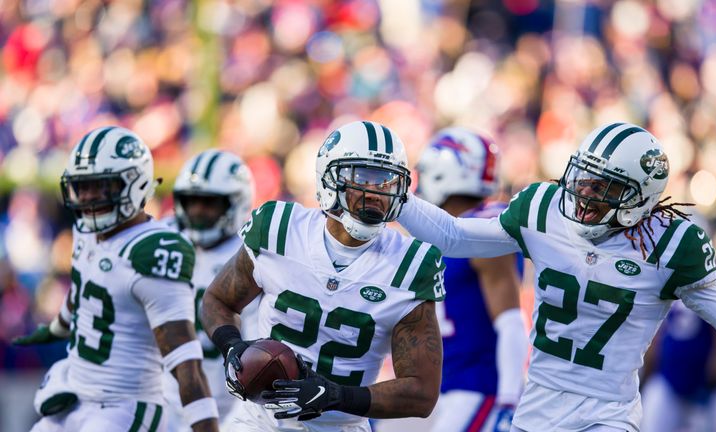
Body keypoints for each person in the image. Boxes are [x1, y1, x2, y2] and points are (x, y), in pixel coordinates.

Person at [394, 122, 716, 432]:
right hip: (536, 411)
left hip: (607, 416)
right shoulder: (544, 210)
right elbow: (453, 236)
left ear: (639, 197)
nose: (585, 193)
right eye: (584, 178)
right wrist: (394, 196)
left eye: (604, 187)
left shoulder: (670, 246)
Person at [200, 120, 445, 432]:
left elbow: (421, 393)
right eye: (363, 177)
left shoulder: (410, 265)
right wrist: (231, 345)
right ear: (328, 179)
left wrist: (335, 395)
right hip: (258, 423)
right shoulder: (279, 229)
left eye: (387, 181)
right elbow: (217, 299)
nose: (376, 192)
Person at [13, 126, 218, 432]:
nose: (88, 197)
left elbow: (186, 363)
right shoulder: (85, 231)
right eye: (82, 187)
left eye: (101, 187)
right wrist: (56, 327)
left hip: (124, 407)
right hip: (75, 394)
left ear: (135, 184)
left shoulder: (152, 252)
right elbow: (84, 290)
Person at [415, 127, 528, 432]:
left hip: (480, 388)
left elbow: (511, 321)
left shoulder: (483, 229)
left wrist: (509, 400)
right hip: (447, 388)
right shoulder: (443, 233)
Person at [161, 150, 256, 431]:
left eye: (209, 203)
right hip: (164, 402)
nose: (197, 211)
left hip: (224, 404)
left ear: (236, 203)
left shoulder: (251, 255)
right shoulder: (165, 242)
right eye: (191, 201)